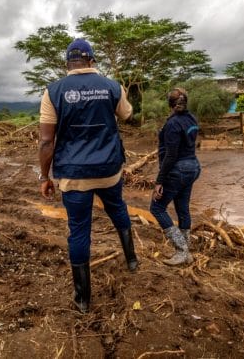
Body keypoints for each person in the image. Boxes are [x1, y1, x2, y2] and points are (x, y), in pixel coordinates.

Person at [39, 38, 137, 313]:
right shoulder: (111, 86)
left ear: (67, 63)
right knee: (117, 209)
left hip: (73, 174)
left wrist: (43, 177)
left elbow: (46, 142)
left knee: (79, 230)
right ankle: (131, 260)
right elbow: (127, 115)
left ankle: (82, 299)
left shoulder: (53, 91)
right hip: (108, 170)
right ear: (92, 61)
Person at [149, 87, 201, 266]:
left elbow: (171, 155)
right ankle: (187, 253)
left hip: (178, 170)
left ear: (170, 104)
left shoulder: (172, 124)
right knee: (182, 207)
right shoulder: (191, 118)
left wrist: (159, 181)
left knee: (157, 208)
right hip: (193, 166)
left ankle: (181, 250)